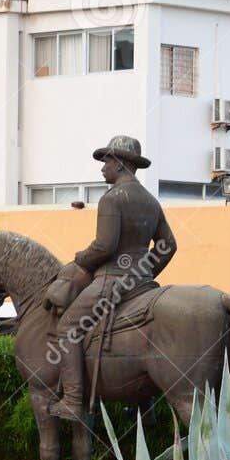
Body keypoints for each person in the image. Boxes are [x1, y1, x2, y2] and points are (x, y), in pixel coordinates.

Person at [44, 136, 176, 422]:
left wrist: (79, 259)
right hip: (142, 285)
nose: (103, 168)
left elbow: (105, 246)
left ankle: (73, 400)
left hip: (112, 280)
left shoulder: (112, 198)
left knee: (67, 328)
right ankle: (145, 402)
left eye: (106, 161)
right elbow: (169, 245)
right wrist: (146, 272)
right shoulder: (151, 202)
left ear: (119, 164)